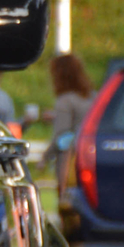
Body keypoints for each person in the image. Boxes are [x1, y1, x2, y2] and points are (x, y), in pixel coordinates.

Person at [48, 51, 93, 190]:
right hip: (90, 156)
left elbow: (61, 137)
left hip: (70, 162)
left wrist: (45, 157)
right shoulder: (93, 97)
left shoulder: (65, 100)